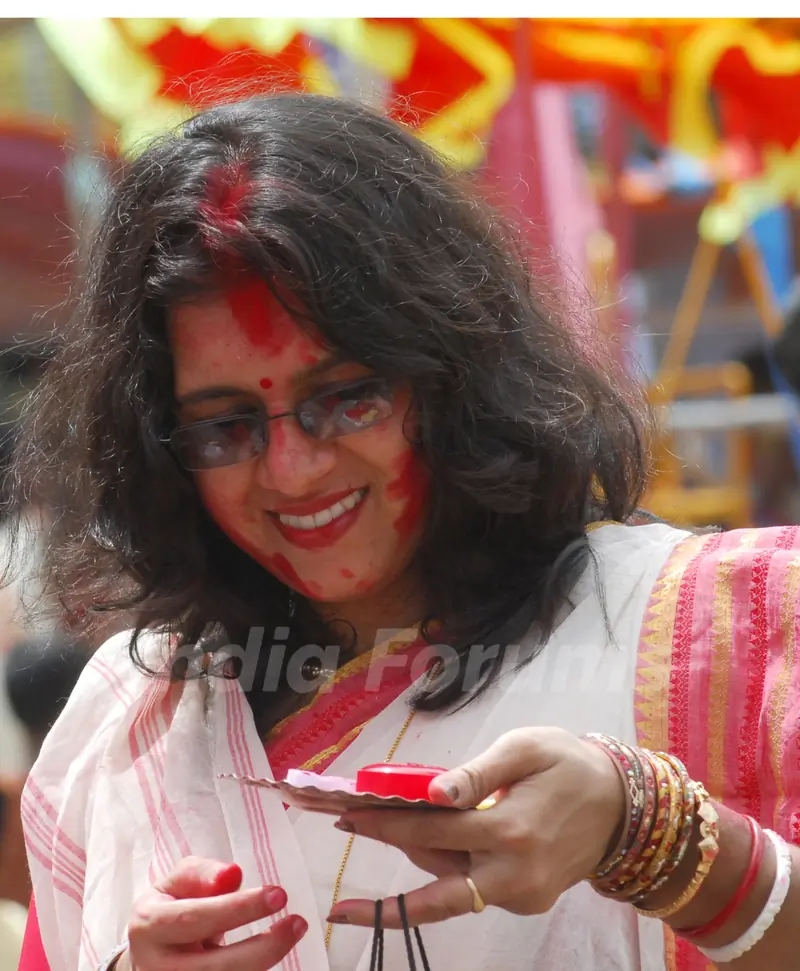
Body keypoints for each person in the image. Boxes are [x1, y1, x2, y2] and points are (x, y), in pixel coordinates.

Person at [7, 93, 799, 971]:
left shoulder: (723, 631)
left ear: (452, 375)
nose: (293, 471)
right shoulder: (127, 721)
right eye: (226, 424)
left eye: (348, 397)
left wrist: (651, 835)